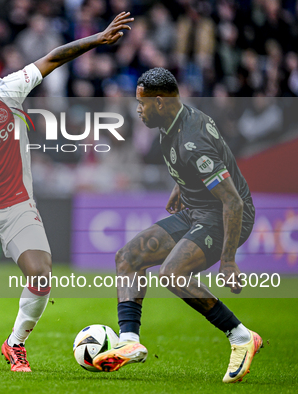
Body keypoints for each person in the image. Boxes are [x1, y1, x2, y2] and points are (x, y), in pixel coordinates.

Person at [0, 12, 134, 372]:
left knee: (41, 274)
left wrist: (98, 38)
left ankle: (15, 343)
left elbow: (52, 58)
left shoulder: (5, 89)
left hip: (16, 203)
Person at [93, 68, 261, 383]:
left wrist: (228, 262)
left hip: (222, 215)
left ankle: (240, 336)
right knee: (127, 259)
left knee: (173, 274)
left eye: (141, 104)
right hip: (196, 209)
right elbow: (200, 164)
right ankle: (129, 342)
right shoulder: (174, 121)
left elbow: (233, 202)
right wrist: (181, 185)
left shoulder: (192, 141)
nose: (137, 110)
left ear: (159, 101)